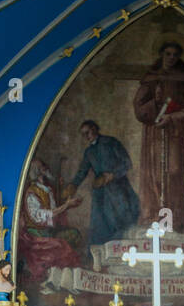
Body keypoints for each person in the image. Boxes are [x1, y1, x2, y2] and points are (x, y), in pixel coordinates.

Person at [133, 40, 184, 230]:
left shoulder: (183, 80)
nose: (171, 58)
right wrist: (155, 103)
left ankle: (174, 219)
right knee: (153, 173)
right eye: (168, 54)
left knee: (174, 171)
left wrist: (172, 117)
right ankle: (152, 217)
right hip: (153, 133)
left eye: (175, 55)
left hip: (174, 133)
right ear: (161, 54)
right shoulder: (150, 78)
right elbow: (139, 108)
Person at [67, 120, 139, 248]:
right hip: (100, 191)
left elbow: (127, 163)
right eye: (83, 134)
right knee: (99, 224)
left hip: (119, 190)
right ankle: (98, 258)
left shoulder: (111, 142)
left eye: (87, 132)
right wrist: (74, 184)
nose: (86, 136)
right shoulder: (89, 152)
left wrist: (112, 175)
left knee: (121, 223)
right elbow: (82, 171)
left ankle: (122, 253)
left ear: (95, 129)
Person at [17, 156, 83, 284]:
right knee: (60, 247)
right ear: (37, 172)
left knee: (75, 235)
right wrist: (66, 205)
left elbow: (54, 210)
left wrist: (68, 204)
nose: (46, 169)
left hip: (49, 231)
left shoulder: (48, 189)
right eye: (43, 168)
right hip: (36, 234)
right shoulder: (32, 193)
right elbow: (42, 216)